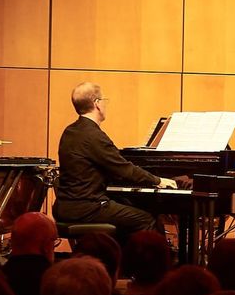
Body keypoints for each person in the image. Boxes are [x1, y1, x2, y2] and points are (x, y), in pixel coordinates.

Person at [52, 82, 175, 241]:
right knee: (145, 219)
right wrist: (157, 180)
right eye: (104, 100)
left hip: (65, 206)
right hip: (87, 207)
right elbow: (124, 169)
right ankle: (149, 265)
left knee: (127, 211)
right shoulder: (94, 136)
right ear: (97, 104)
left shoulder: (70, 131)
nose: (105, 104)